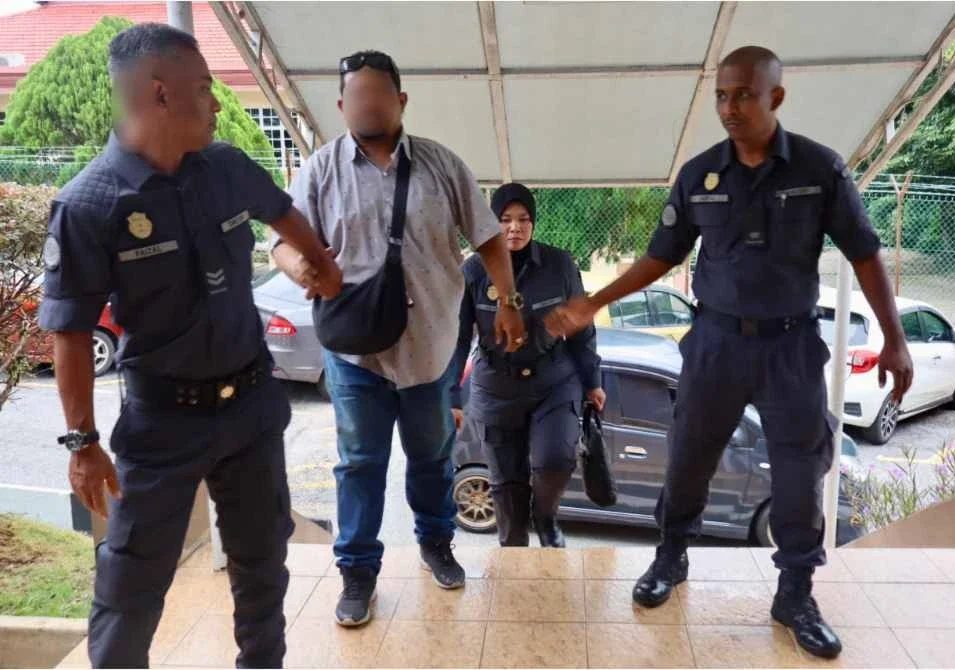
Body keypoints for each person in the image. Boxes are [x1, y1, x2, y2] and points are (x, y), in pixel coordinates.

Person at [545, 46, 913, 660]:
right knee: (689, 456)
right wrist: (592, 303)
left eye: (743, 94)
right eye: (721, 94)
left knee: (799, 471)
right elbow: (660, 257)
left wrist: (895, 339)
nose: (730, 107)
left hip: (791, 347)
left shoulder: (820, 170)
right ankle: (671, 558)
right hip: (714, 344)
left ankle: (795, 593)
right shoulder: (698, 175)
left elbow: (866, 254)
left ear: (776, 96)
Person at [38, 24, 342, 668]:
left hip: (252, 408)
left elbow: (281, 213)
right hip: (161, 424)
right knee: (131, 586)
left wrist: (317, 260)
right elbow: (68, 333)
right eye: (203, 89)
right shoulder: (91, 203)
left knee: (262, 565)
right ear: (159, 95)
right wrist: (83, 444)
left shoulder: (225, 167)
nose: (215, 103)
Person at [271, 50, 525, 628]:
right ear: (341, 106)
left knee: (432, 458)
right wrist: (299, 268)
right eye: (356, 97)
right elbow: (280, 241)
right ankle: (358, 572)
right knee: (359, 463)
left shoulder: (440, 165)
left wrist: (508, 303)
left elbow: (488, 238)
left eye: (378, 94)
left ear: (400, 100)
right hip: (355, 353)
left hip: (430, 348)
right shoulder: (321, 169)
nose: (367, 105)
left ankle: (437, 544)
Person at [449, 184, 604, 547]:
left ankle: (546, 516)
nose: (514, 228)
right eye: (504, 220)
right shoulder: (472, 272)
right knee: (506, 484)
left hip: (553, 380)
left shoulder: (559, 265)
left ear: (533, 224)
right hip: (496, 384)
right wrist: (450, 395)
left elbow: (582, 328)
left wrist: (592, 380)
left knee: (555, 459)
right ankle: (513, 543)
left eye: (523, 220)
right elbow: (456, 339)